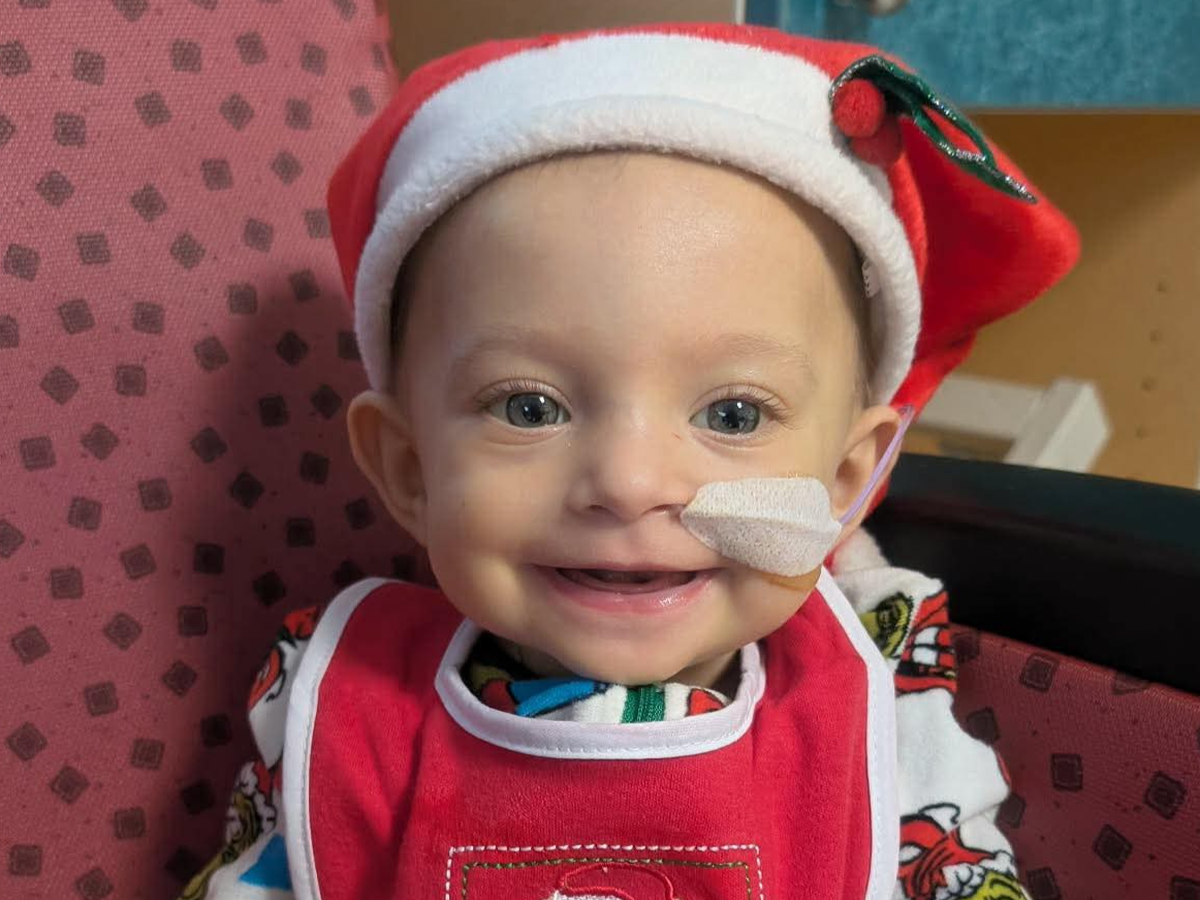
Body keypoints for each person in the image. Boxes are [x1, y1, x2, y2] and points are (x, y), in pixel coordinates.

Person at [181, 22, 1078, 900]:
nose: (629, 484)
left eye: (732, 414)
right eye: (530, 409)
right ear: (410, 470)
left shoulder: (883, 699)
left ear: (845, 483)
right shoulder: (336, 701)